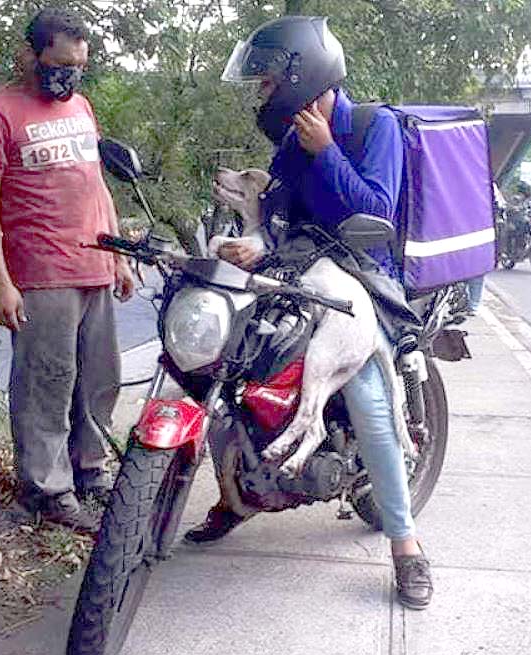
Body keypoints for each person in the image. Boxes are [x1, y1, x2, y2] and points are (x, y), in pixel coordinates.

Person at [184, 15, 433, 610]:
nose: (263, 94)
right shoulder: (293, 140)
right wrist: (258, 242)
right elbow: (283, 215)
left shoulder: (375, 127)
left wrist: (326, 153)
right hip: (301, 270)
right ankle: (236, 495)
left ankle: (407, 546)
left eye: (268, 82)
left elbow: (377, 210)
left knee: (372, 406)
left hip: (366, 282)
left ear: (303, 76)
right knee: (234, 368)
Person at [0, 7, 134, 531]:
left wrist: (120, 254)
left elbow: (95, 184)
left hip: (94, 266)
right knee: (46, 384)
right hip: (40, 273)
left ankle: (89, 471)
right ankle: (48, 490)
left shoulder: (81, 106)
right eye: (59, 64)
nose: (68, 76)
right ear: (29, 55)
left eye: (78, 66)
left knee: (99, 381)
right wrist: (0, 281)